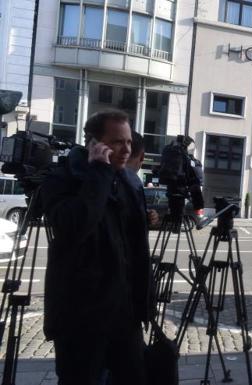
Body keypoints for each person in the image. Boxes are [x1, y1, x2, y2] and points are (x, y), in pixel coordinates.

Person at [42, 109, 153, 385]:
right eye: (117, 142)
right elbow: (77, 224)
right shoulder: (64, 178)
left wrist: (144, 304)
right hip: (81, 315)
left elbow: (136, 247)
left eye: (128, 142)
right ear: (94, 143)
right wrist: (99, 173)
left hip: (124, 314)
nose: (127, 149)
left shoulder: (129, 181)